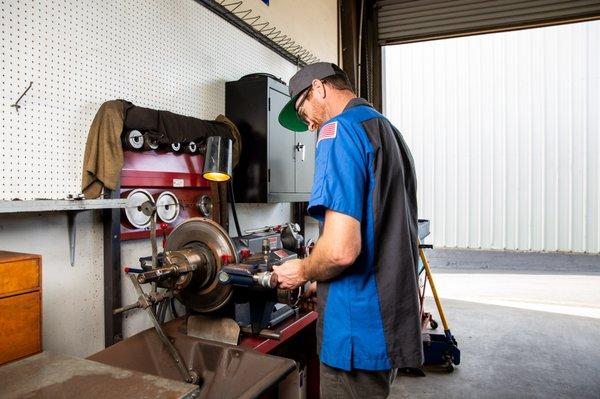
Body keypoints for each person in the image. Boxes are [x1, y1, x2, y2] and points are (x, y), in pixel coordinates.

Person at [275, 62, 423, 398]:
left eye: (303, 110)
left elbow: (341, 250)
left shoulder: (338, 131)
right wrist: (318, 281)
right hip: (388, 322)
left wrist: (301, 270)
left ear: (319, 88)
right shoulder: (387, 131)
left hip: (355, 331)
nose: (307, 124)